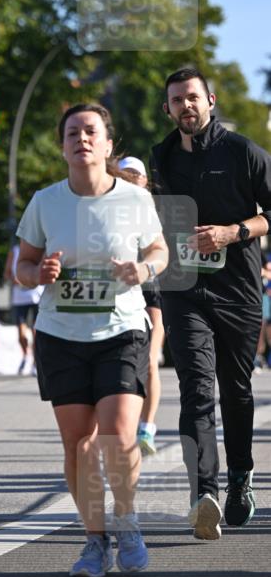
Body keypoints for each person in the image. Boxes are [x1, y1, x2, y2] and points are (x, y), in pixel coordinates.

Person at [16, 103, 167, 577]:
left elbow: (159, 250)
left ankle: (127, 521)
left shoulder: (135, 200)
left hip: (121, 329)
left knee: (119, 437)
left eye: (90, 132)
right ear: (62, 147)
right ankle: (94, 541)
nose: (81, 139)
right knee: (78, 445)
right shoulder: (45, 201)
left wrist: (141, 269)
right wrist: (38, 273)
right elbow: (20, 268)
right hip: (61, 333)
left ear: (107, 144)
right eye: (72, 133)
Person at [151, 67, 271, 540]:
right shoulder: (161, 157)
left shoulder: (243, 153)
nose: (186, 106)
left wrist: (233, 232)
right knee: (197, 389)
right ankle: (204, 492)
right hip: (183, 290)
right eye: (177, 100)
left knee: (235, 390)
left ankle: (241, 474)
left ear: (211, 100)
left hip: (238, 290)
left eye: (193, 98)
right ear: (168, 109)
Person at [116, 156, 165, 456]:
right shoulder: (108, 205)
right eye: (125, 173)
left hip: (152, 290)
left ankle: (147, 427)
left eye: (136, 174)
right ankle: (126, 423)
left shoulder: (155, 208)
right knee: (124, 362)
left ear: (146, 180)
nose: (132, 177)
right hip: (121, 290)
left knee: (150, 359)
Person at [4, 242, 42, 375]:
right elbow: (7, 273)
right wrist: (14, 279)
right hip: (19, 298)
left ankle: (36, 363)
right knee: (21, 332)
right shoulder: (14, 249)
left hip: (36, 297)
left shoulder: (40, 247)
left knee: (36, 332)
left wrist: (32, 278)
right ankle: (26, 355)